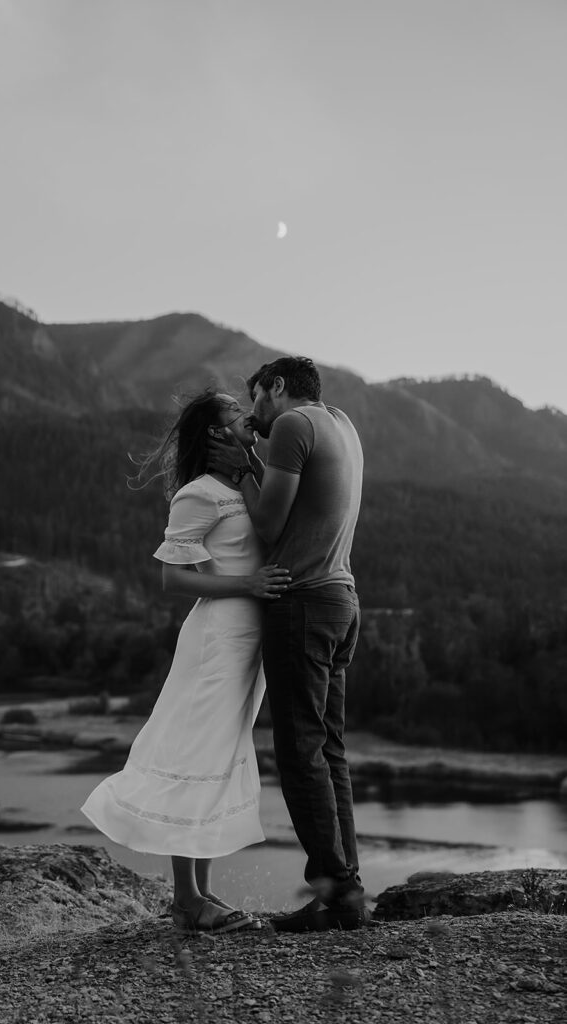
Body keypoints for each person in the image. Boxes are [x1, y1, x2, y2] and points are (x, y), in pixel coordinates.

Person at [80, 389, 291, 935]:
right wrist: (246, 583)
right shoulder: (198, 494)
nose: (247, 418)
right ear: (214, 434)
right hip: (215, 641)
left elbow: (280, 517)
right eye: (233, 416)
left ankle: (198, 896)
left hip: (248, 644)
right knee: (196, 756)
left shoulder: (245, 483)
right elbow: (173, 577)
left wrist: (250, 463)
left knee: (217, 760)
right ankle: (186, 900)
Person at [208, 356, 365, 932]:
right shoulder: (341, 424)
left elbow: (271, 526)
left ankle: (338, 897)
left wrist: (241, 467)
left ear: (276, 387)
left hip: (300, 603)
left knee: (300, 755)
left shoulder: (296, 425)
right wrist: (256, 451)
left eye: (257, 401)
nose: (255, 415)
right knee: (330, 751)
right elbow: (300, 507)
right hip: (341, 598)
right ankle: (346, 886)